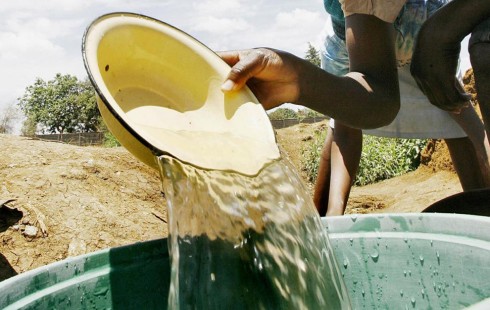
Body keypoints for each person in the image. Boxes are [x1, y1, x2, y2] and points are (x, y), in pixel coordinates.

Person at [312, 0, 490, 216]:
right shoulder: (340, 49)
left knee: (452, 107)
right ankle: (321, 219)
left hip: (418, 41)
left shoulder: (424, 24)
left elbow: (461, 112)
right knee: (342, 123)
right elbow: (346, 132)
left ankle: (480, 209)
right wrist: (334, 213)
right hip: (355, 46)